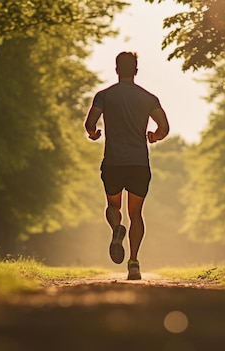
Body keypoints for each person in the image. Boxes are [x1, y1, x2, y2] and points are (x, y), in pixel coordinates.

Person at [84, 51, 170, 280]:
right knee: (136, 213)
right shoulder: (148, 98)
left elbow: (90, 123)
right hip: (139, 163)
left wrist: (94, 133)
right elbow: (164, 127)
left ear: (116, 69)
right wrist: (155, 136)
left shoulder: (104, 96)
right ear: (136, 70)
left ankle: (116, 229)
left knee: (114, 208)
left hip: (113, 162)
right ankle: (133, 263)